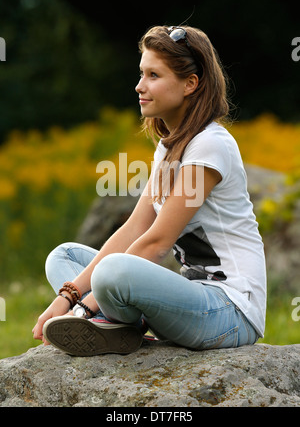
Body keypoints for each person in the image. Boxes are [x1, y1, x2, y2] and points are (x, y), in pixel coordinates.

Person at [32, 25, 266, 356]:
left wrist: (83, 307)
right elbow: (135, 228)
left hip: (229, 310)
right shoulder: (169, 146)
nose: (140, 86)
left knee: (111, 271)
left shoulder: (210, 146)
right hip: (192, 295)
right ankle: (119, 326)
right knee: (65, 256)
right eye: (142, 74)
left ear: (190, 84)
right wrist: (67, 296)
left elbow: (157, 243)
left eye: (153, 75)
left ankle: (106, 319)